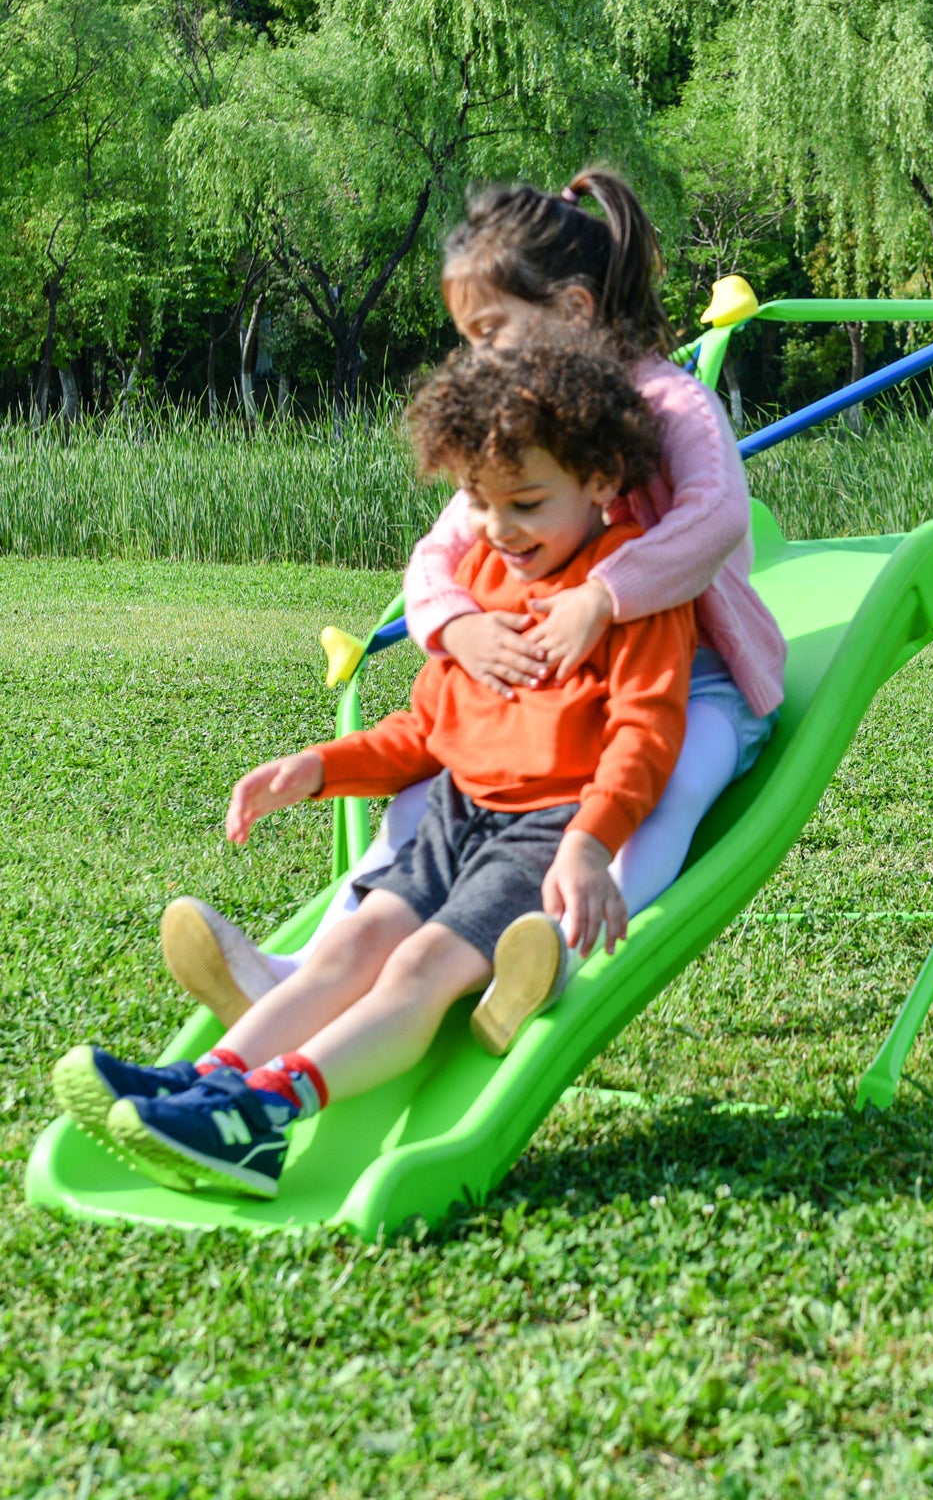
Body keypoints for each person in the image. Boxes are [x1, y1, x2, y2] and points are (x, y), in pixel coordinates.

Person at [53, 338, 698, 1199]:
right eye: (480, 502)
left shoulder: (633, 596)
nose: (502, 529)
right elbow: (426, 729)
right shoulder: (483, 578)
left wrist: (589, 843)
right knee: (348, 944)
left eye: (528, 503)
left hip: (542, 832)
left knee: (418, 972)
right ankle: (210, 1084)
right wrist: (318, 768)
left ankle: (261, 1120)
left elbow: (645, 735)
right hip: (454, 817)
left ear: (601, 482)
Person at [158, 169, 787, 1038]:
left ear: (570, 310)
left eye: (491, 332)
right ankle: (299, 970)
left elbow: (713, 520)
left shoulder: (670, 400)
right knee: (433, 788)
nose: (480, 357)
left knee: (673, 782)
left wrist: (603, 598)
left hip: (690, 682)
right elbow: (437, 556)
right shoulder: (520, 433)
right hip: (551, 695)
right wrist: (460, 623)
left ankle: (551, 952)